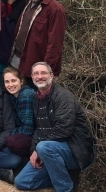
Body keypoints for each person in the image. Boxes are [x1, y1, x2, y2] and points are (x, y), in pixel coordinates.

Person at [14, 62, 96, 191]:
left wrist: (39, 150)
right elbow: (38, 129)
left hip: (75, 149)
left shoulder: (63, 96)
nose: (40, 76)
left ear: (52, 75)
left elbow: (64, 129)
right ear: (32, 76)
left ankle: (65, 188)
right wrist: (33, 151)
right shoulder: (36, 98)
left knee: (43, 147)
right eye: (36, 73)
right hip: (51, 151)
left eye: (43, 73)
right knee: (22, 182)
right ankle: (66, 176)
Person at [10, 0, 66, 89]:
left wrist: (45, 70)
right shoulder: (28, 4)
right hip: (17, 61)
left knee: (36, 101)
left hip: (36, 67)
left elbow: (55, 44)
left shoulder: (54, 9)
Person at [3, 67, 35, 157]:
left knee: (11, 141)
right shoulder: (13, 97)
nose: (10, 84)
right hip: (27, 133)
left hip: (37, 136)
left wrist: (7, 134)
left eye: (13, 81)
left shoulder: (26, 96)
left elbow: (27, 130)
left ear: (21, 81)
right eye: (7, 82)